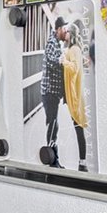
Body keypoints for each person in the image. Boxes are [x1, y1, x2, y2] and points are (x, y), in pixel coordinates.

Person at [38, 17, 68, 166]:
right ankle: (51, 159)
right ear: (57, 30)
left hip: (53, 92)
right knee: (52, 125)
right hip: (49, 92)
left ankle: (54, 159)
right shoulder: (51, 43)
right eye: (64, 29)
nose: (66, 31)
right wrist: (64, 60)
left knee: (54, 125)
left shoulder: (56, 43)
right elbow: (52, 59)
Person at [62, 24, 91, 171]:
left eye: (66, 31)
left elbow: (74, 68)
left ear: (71, 34)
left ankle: (82, 161)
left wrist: (63, 61)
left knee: (78, 127)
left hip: (74, 94)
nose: (64, 33)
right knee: (77, 127)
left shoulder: (74, 49)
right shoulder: (74, 49)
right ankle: (82, 161)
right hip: (73, 92)